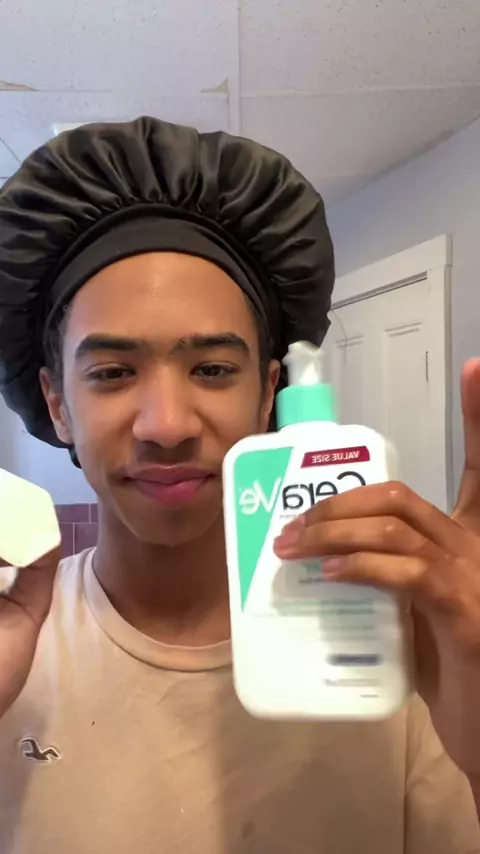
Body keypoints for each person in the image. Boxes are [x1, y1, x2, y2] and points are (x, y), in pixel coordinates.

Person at [0, 117, 479, 854]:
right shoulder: (12, 651)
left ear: (267, 397)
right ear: (58, 404)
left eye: (214, 369)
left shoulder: (400, 652)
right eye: (113, 372)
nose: (166, 424)